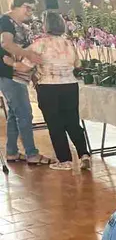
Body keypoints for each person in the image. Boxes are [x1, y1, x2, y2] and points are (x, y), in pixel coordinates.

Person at [27, 12, 92, 171]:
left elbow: (25, 65)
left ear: (45, 25)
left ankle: (65, 160)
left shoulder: (39, 44)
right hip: (70, 85)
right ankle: (84, 154)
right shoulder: (69, 43)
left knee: (55, 124)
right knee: (72, 121)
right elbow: (77, 64)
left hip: (48, 86)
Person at [0, 0, 52, 166]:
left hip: (18, 74)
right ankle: (31, 154)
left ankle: (12, 152)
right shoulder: (5, 21)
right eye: (27, 8)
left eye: (32, 9)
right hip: (9, 74)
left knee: (15, 114)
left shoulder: (19, 24)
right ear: (16, 5)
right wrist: (27, 53)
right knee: (24, 114)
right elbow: (6, 43)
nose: (30, 12)